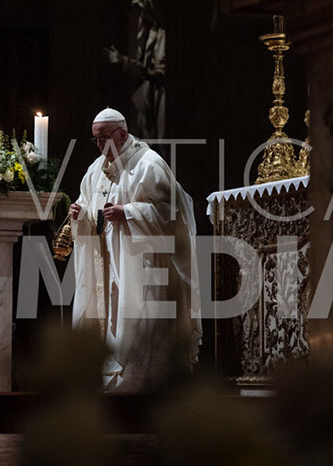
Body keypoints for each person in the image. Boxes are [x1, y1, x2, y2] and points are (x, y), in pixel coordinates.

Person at [70, 107, 201, 393]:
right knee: (112, 318)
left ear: (122, 134)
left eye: (103, 138)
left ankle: (144, 386)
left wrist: (128, 212)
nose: (99, 145)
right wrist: (80, 213)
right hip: (108, 262)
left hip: (143, 263)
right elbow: (89, 205)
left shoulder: (149, 163)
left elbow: (171, 212)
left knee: (139, 320)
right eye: (95, 140)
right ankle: (114, 383)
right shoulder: (96, 169)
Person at [101, 0, 165, 139]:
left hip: (160, 95)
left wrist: (124, 62)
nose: (141, 14)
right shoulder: (147, 31)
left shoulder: (163, 34)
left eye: (143, 8)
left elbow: (159, 72)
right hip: (147, 96)